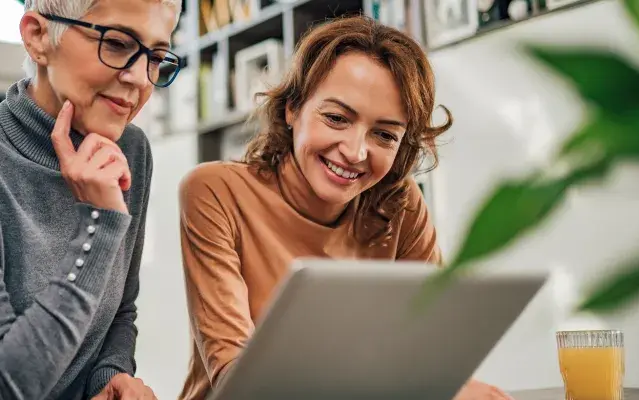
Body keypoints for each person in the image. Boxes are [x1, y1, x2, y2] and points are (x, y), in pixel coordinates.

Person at [177, 14, 514, 400]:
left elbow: (431, 353)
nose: (355, 152)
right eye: (336, 118)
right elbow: (237, 377)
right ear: (292, 108)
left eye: (384, 135)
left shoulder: (399, 203)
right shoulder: (215, 191)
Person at [0, 0, 181, 399]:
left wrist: (110, 376)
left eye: (157, 57)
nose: (140, 79)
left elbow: (118, 312)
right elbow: (0, 387)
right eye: (117, 44)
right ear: (38, 37)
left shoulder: (129, 150)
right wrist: (102, 221)